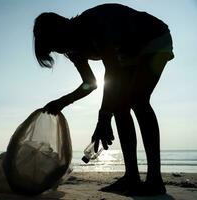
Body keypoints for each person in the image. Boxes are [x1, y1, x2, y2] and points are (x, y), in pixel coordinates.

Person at [33, 3, 174, 196]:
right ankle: (132, 177)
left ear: (62, 27)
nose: (59, 50)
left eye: (56, 44)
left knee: (138, 100)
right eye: (54, 49)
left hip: (153, 37)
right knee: (119, 107)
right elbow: (90, 83)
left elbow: (113, 71)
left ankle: (155, 180)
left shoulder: (92, 24)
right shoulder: (72, 49)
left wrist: (103, 117)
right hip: (128, 52)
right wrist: (62, 102)